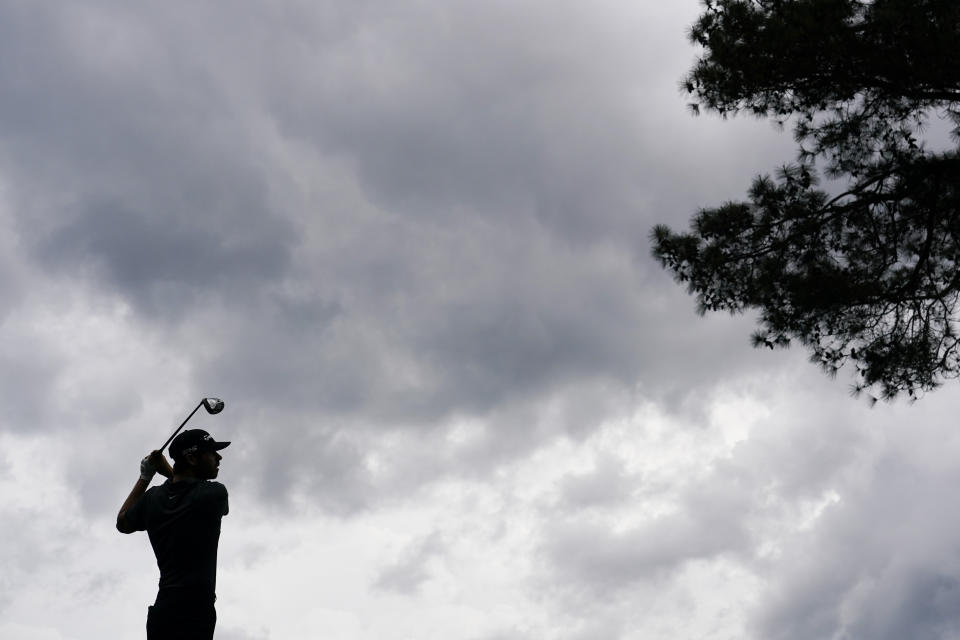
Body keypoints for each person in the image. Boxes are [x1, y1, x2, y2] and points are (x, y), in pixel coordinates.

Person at [116, 429, 231, 640]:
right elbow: (186, 491)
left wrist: (145, 476)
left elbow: (122, 521)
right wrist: (166, 469)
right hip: (195, 613)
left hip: (164, 610)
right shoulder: (214, 494)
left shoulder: (152, 498)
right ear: (191, 458)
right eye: (211, 452)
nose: (219, 457)